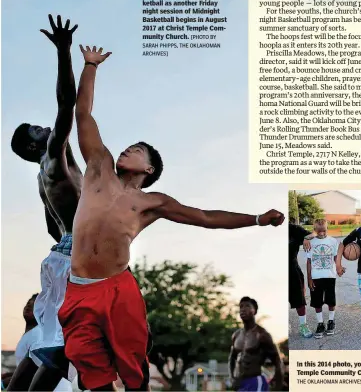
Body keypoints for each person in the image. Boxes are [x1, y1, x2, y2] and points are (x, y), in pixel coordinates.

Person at [57, 45, 285, 392]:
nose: (126, 150)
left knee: (133, 368)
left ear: (148, 168)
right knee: (85, 359)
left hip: (117, 289)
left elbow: (206, 216)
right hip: (79, 289)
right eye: (127, 146)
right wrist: (90, 66)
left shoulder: (152, 201)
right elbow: (83, 114)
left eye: (136, 150)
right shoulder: (98, 167)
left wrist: (256, 218)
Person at [9, 15, 83, 391]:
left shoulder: (46, 177)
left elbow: (50, 227)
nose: (46, 126)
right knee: (64, 349)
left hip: (60, 253)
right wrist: (64, 51)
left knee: (48, 345)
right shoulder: (53, 156)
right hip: (76, 257)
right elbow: (66, 103)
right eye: (37, 130)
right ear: (33, 146)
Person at [5, 294, 72, 392]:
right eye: (29, 302)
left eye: (36, 303)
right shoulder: (32, 334)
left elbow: (43, 371)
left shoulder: (39, 334)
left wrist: (5, 384)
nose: (29, 304)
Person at [229, 297, 284, 391]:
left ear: (254, 311)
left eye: (247, 306)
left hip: (255, 381)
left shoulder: (262, 335)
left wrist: (278, 385)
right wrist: (232, 378)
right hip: (240, 383)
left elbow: (277, 361)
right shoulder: (236, 335)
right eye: (241, 306)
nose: (243, 309)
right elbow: (232, 358)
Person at [306, 219, 341, 338]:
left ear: (327, 229)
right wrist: (309, 278)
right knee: (317, 302)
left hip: (330, 275)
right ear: (314, 230)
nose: (321, 233)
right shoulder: (310, 242)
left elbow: (336, 257)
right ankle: (320, 323)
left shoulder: (332, 241)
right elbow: (309, 261)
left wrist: (339, 268)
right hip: (316, 277)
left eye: (324, 231)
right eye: (319, 231)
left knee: (331, 300)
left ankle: (331, 321)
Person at [288, 222, 314, 338]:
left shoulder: (293, 228)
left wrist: (306, 238)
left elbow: (313, 234)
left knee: (299, 299)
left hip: (292, 268)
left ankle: (303, 325)